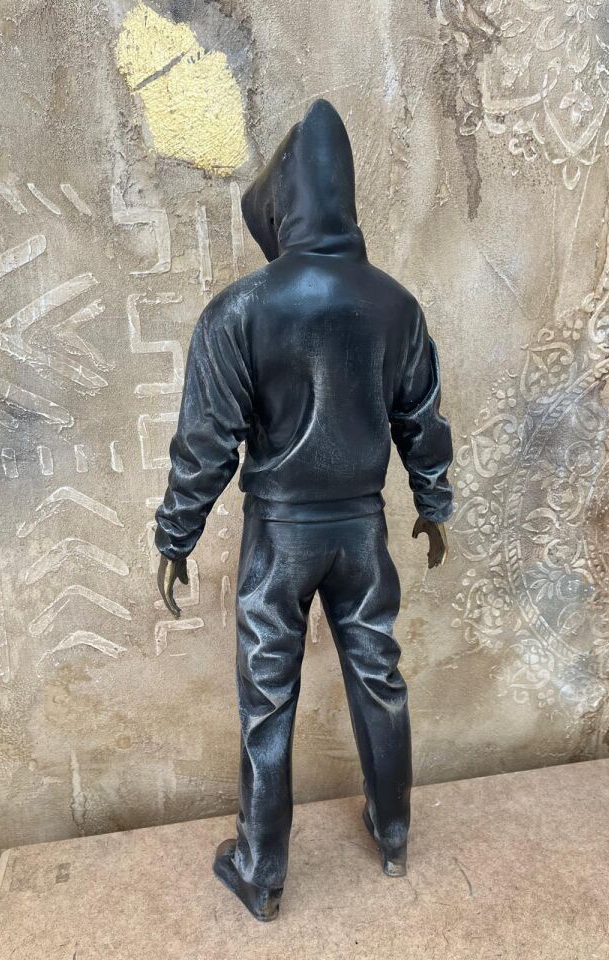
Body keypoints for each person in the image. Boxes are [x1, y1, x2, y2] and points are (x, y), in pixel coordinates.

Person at [154, 99, 454, 921]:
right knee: (378, 677)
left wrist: (176, 534)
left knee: (267, 699)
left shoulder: (240, 309)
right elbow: (421, 419)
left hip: (280, 536)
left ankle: (262, 871)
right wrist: (433, 502)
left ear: (283, 199)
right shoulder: (397, 306)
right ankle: (393, 835)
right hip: (361, 531)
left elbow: (207, 442)